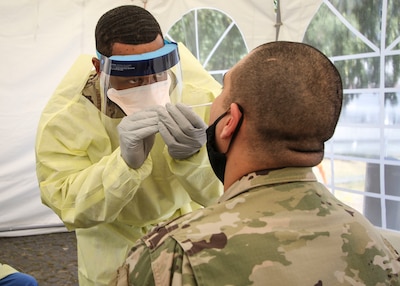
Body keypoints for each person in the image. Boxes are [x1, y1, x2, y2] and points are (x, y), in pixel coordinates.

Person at [119, 41, 400, 285]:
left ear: (230, 122)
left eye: (222, 91)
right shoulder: (379, 247)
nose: (213, 102)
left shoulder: (170, 257)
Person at [35, 5, 222, 286]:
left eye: (158, 74)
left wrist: (196, 160)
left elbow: (230, 189)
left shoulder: (202, 95)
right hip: (111, 242)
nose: (150, 86)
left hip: (187, 231)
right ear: (99, 69)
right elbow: (64, 201)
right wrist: (122, 166)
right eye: (134, 78)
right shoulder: (66, 118)